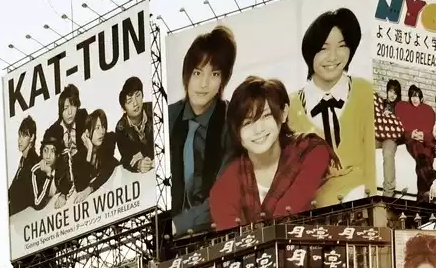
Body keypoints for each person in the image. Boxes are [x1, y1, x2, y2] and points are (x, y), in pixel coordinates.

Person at [207, 76, 333, 231]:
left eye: (266, 116)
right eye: (247, 123)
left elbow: (287, 210)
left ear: (283, 113)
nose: (258, 130)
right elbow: (232, 243)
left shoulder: (310, 152)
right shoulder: (223, 189)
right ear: (236, 131)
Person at [286, 8, 374, 207]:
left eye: (342, 46)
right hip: (311, 216)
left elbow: (371, 160)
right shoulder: (289, 107)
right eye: (323, 48)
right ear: (310, 52)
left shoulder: (364, 91)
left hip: (361, 203)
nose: (333, 57)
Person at [168, 26, 238, 235]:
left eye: (214, 74)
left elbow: (226, 193)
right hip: (168, 239)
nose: (204, 84)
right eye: (198, 73)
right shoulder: (167, 117)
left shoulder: (231, 121)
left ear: (223, 80)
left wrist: (178, 225)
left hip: (216, 231)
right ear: (187, 74)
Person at [41, 84, 85, 199]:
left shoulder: (83, 118)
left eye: (73, 106)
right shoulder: (52, 132)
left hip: (82, 173)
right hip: (61, 179)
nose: (70, 112)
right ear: (60, 110)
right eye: (65, 108)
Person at [395, 83, 436, 198]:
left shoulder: (428, 111)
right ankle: (428, 177)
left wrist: (423, 135)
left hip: (425, 142)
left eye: (417, 96)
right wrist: (412, 134)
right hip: (413, 142)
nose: (415, 99)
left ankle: (422, 194)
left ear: (421, 98)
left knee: (426, 152)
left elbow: (430, 133)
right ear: (410, 98)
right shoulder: (404, 108)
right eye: (412, 96)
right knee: (419, 150)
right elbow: (402, 129)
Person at [113, 76, 156, 174]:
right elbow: (126, 158)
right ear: (123, 109)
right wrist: (139, 164)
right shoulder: (121, 128)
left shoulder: (154, 109)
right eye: (129, 101)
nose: (135, 103)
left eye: (138, 95)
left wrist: (144, 153)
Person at [74, 107, 118, 196]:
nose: (102, 132)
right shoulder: (77, 158)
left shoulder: (109, 140)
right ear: (86, 133)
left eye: (103, 126)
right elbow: (80, 186)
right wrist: (89, 152)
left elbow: (107, 170)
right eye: (97, 128)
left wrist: (90, 188)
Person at [375, 79, 404, 191]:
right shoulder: (380, 103)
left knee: (387, 154)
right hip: (377, 135)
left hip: (390, 139)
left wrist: (391, 117)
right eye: (391, 91)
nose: (393, 95)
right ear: (387, 91)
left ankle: (388, 192)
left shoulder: (400, 107)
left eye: (395, 93)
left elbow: (401, 128)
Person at [7, 115, 40, 215]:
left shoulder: (33, 161)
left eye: (24, 135)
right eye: (19, 135)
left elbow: (21, 193)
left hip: (23, 216)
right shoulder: (23, 160)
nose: (19, 140)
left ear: (32, 137)